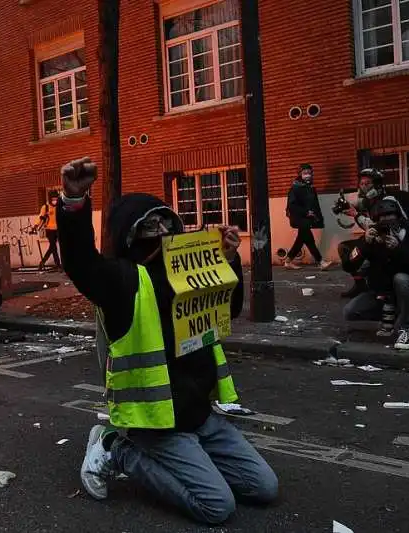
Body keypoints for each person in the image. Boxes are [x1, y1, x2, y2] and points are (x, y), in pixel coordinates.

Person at [57, 157, 278, 525]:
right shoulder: (124, 281)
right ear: (129, 235)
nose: (161, 229)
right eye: (149, 224)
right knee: (217, 506)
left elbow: (230, 307)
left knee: (264, 488)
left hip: (200, 416)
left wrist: (229, 260)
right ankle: (119, 450)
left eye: (166, 220)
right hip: (158, 424)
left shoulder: (190, 269)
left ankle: (195, 460)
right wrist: (74, 202)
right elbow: (80, 262)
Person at [343, 196, 409, 350]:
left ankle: (407, 329)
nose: (386, 225)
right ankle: (394, 315)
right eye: (382, 220)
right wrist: (365, 244)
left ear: (399, 218)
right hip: (383, 294)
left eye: (390, 219)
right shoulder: (372, 237)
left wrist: (399, 250)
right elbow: (348, 265)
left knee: (401, 279)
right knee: (350, 312)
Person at [338, 168, 409, 298]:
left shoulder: (386, 200)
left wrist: (356, 214)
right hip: (378, 238)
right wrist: (342, 206)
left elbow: (379, 227)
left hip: (391, 241)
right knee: (345, 248)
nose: (364, 187)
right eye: (362, 183)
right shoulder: (371, 199)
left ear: (376, 184)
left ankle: (384, 287)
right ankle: (360, 285)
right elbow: (357, 204)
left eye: (368, 183)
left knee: (360, 255)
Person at [285, 163, 332, 270]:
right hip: (300, 217)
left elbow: (315, 204)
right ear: (300, 174)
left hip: (307, 218)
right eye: (305, 173)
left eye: (309, 173)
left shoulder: (310, 188)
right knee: (309, 239)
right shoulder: (295, 188)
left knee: (301, 239)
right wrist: (306, 212)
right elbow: (292, 205)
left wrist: (318, 217)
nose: (307, 175)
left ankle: (288, 261)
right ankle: (320, 261)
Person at [34, 190, 61, 271]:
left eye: (56, 199)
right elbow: (40, 217)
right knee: (54, 247)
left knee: (52, 248)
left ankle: (42, 262)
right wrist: (36, 225)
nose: (55, 201)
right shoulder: (45, 207)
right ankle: (58, 265)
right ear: (50, 199)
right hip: (49, 230)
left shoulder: (60, 207)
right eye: (53, 199)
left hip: (58, 229)